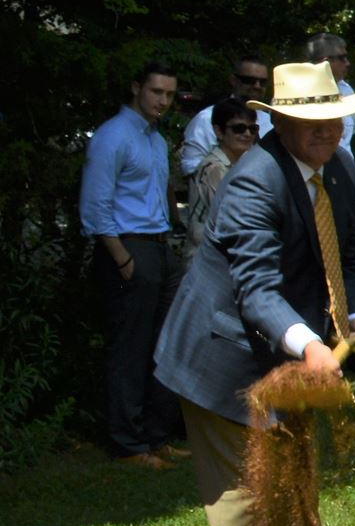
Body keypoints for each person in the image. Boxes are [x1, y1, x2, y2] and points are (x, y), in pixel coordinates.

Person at [152, 61, 355, 526]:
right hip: (221, 357)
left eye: (334, 118)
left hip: (288, 353)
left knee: (296, 482)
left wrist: (353, 317)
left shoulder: (338, 165)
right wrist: (311, 346)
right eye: (311, 122)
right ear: (278, 120)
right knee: (245, 496)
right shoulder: (253, 181)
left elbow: (348, 257)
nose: (327, 131)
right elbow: (256, 288)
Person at [83, 60, 186, 469]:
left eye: (169, 94)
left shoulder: (156, 140)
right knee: (130, 346)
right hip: (128, 247)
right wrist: (121, 255)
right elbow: (95, 203)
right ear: (136, 88)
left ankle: (156, 436)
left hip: (158, 246)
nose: (163, 100)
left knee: (163, 343)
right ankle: (127, 444)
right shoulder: (113, 136)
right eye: (156, 92)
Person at [181, 97, 260, 257]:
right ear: (219, 131)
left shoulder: (242, 165)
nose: (247, 134)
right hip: (205, 262)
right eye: (239, 128)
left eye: (253, 129)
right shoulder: (214, 168)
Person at [179, 56, 271, 175]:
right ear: (233, 80)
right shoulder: (207, 118)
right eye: (249, 80)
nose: (257, 86)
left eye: (262, 82)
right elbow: (189, 167)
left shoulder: (269, 122)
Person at [306, 33, 355, 159]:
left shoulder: (347, 91)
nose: (348, 63)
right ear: (325, 62)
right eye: (342, 58)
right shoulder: (296, 94)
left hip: (344, 170)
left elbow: (349, 136)